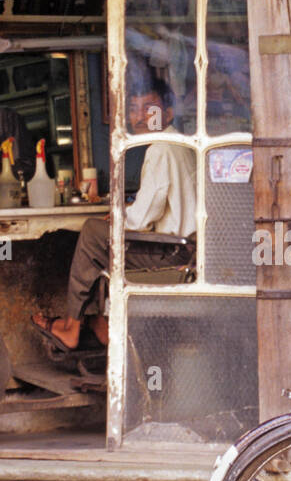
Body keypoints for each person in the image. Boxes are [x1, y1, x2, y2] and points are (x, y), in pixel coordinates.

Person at [31, 81, 196, 352]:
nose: (140, 116)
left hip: (174, 255)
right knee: (101, 242)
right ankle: (99, 322)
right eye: (133, 109)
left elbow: (140, 220)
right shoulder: (183, 145)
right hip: (188, 249)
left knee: (93, 233)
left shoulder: (161, 149)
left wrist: (121, 217)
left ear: (167, 113)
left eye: (149, 109)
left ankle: (73, 326)